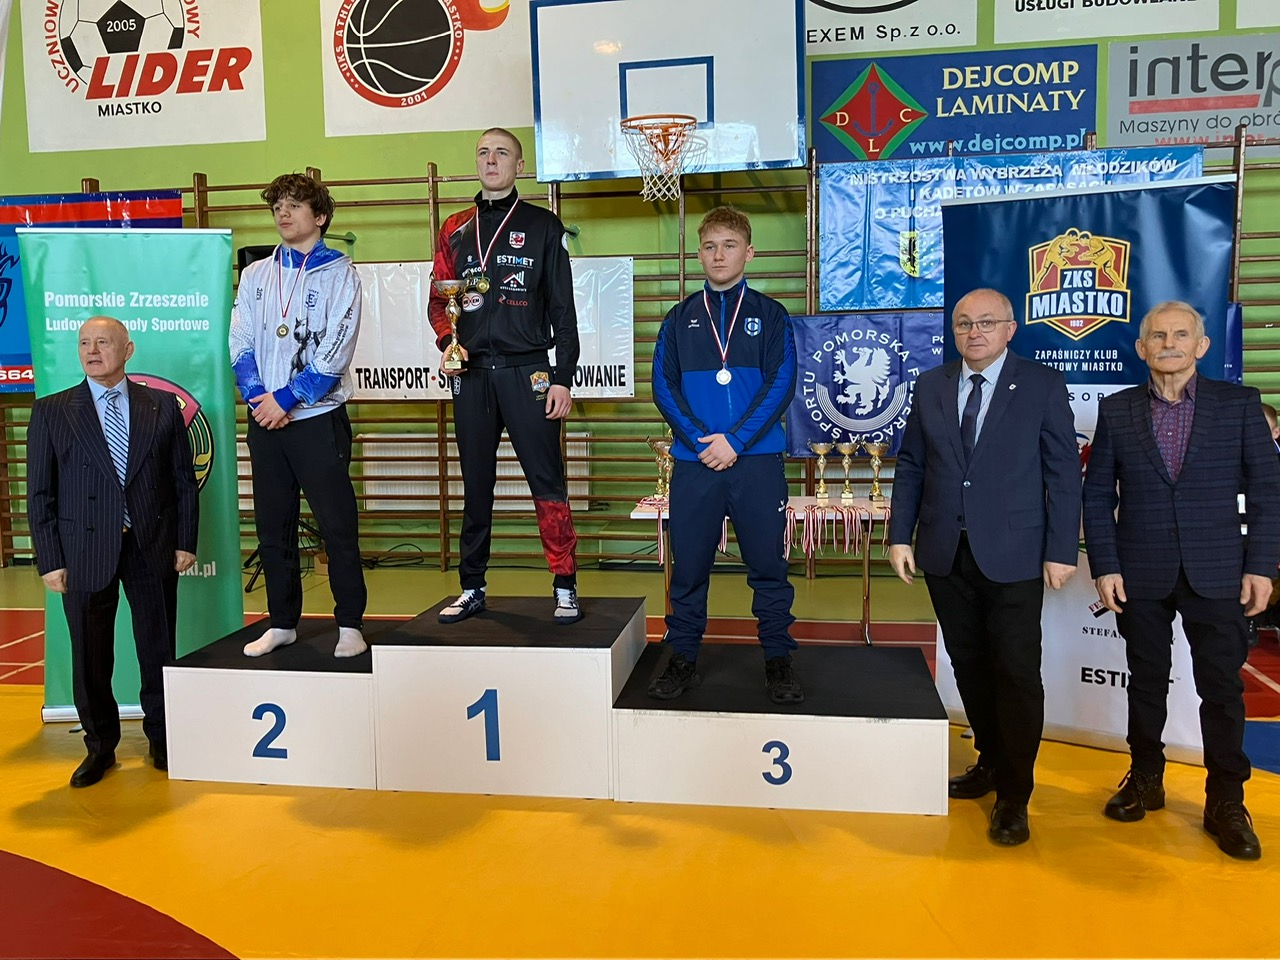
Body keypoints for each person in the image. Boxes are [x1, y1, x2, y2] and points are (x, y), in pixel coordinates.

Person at [1083, 301, 1280, 861]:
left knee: (1221, 690)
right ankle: (1145, 778)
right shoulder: (1117, 410)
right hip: (1140, 570)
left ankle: (1226, 801)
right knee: (1146, 682)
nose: (1168, 343)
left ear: (1201, 345)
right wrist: (1106, 564)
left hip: (1219, 571)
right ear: (1141, 347)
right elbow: (1097, 495)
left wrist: (1262, 566)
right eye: (1157, 335)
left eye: (1180, 334)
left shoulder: (1239, 405)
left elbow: (1268, 492)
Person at [887, 288, 1080, 847]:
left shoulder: (1041, 384)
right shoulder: (931, 385)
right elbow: (912, 465)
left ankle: (1015, 795)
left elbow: (1064, 472)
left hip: (1016, 555)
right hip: (945, 553)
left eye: (986, 322)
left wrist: (1062, 549)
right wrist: (900, 535)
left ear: (1010, 329)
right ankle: (991, 762)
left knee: (1015, 673)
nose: (974, 332)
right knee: (969, 665)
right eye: (964, 324)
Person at [27, 317, 199, 786]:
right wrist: (50, 559)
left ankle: (162, 739)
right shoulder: (52, 411)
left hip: (151, 546)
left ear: (128, 349)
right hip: (82, 551)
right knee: (90, 656)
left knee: (158, 648)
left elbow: (183, 482)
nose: (92, 350)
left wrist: (185, 541)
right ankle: (100, 747)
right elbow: (39, 493)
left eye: (103, 342)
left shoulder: (161, 406)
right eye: (84, 342)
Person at [647, 205, 802, 704]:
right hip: (695, 464)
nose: (719, 255)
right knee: (689, 568)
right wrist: (701, 441)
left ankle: (777, 660)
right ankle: (683, 657)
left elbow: (781, 384)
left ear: (749, 252)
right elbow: (663, 387)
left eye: (729, 245)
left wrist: (735, 441)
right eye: (710, 246)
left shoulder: (771, 315)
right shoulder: (678, 319)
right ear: (698, 254)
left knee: (768, 567)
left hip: (756, 463)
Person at [427, 128, 582, 625]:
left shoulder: (543, 225)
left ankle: (565, 584)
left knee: (547, 481)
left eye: (502, 153)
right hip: (472, 376)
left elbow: (563, 311)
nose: (491, 160)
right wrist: (449, 344)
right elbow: (438, 302)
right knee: (476, 485)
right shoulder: (455, 227)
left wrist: (562, 377)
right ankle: (472, 586)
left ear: (519, 165)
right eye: (483, 152)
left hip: (528, 371)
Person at [229, 173, 367, 659]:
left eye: (294, 206)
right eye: (277, 207)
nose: (283, 214)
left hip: (317, 418)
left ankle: (350, 623)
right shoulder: (255, 274)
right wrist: (258, 397)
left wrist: (286, 399)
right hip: (265, 418)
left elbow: (335, 352)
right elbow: (239, 339)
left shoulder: (342, 274)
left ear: (320, 216)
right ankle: (283, 621)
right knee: (273, 526)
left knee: (336, 524)